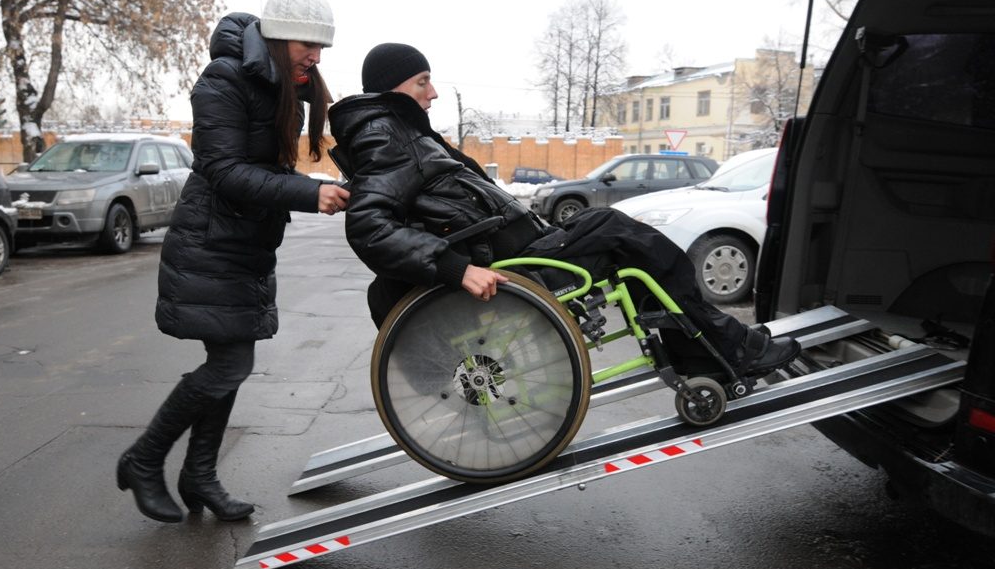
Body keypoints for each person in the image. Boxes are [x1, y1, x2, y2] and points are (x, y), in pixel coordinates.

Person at [327, 42, 799, 382]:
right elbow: (370, 226)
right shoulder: (387, 136)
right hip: (512, 269)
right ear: (393, 89)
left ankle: (706, 350)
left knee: (635, 250)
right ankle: (726, 347)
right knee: (625, 234)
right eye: (422, 81)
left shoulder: (399, 132)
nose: (432, 93)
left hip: (518, 251)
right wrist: (456, 269)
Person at [117, 0, 349, 524]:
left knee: (228, 364)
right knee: (230, 362)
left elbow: (269, 169)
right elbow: (223, 173)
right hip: (210, 241)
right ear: (274, 37)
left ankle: (199, 476)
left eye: (321, 49)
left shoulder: (281, 87)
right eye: (304, 45)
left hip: (245, 244)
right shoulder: (223, 80)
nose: (314, 58)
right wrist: (307, 193)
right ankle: (144, 458)